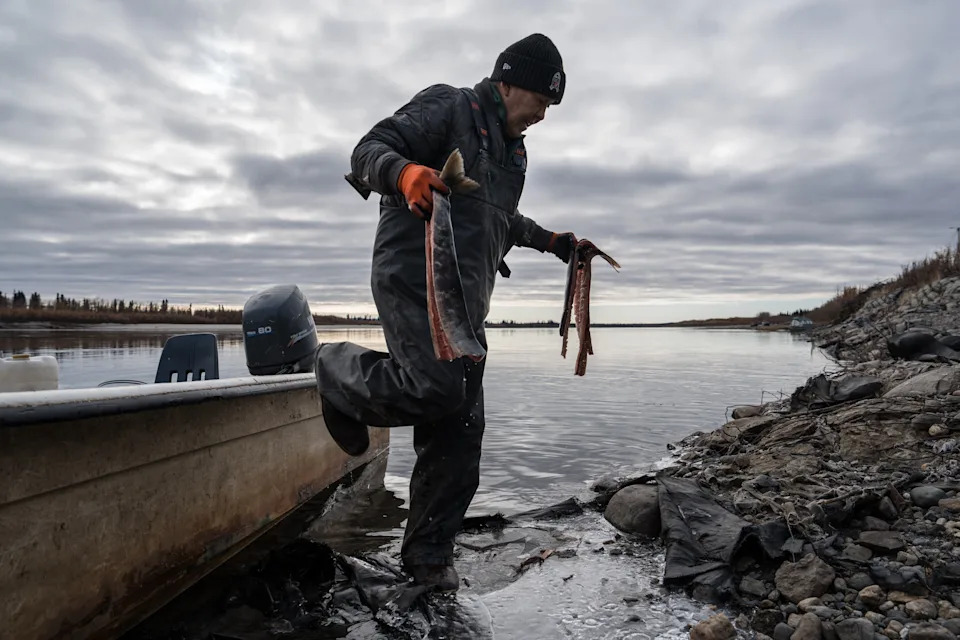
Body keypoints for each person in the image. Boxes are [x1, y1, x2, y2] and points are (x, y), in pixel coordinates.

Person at [315, 33, 578, 592]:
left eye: (551, 106)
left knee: (459, 433)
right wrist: (405, 173)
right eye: (539, 100)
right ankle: (335, 368)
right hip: (413, 275)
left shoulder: (515, 153)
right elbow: (369, 150)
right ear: (508, 81)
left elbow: (501, 218)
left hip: (466, 301)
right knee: (436, 388)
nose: (542, 115)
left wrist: (554, 242)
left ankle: (429, 559)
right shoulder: (449, 105)